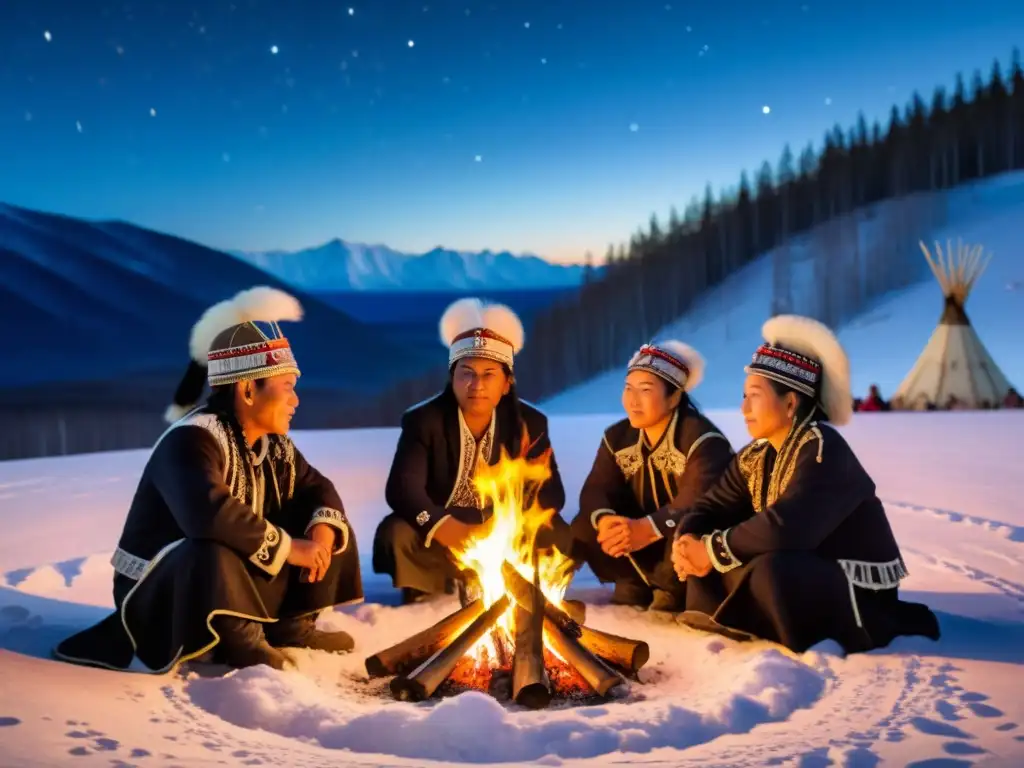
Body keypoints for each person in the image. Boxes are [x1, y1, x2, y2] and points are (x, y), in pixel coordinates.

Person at [53, 287, 363, 673]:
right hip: (162, 589)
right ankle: (239, 639)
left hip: (222, 575)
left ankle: (291, 625)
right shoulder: (192, 439)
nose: (295, 400)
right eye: (287, 388)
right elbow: (209, 514)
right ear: (248, 389)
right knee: (213, 546)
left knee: (326, 519)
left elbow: (318, 487)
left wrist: (319, 534)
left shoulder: (274, 445)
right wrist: (290, 549)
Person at [671, 315, 941, 653]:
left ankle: (766, 623)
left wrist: (711, 551)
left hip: (853, 591)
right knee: (721, 550)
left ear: (790, 402)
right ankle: (730, 616)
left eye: (754, 396)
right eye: (743, 396)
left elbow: (787, 526)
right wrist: (689, 540)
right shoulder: (755, 455)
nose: (744, 408)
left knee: (771, 568)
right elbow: (710, 506)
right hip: (798, 566)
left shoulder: (823, 448)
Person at [372, 297, 569, 604]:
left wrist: (509, 523)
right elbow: (402, 489)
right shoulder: (424, 421)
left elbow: (552, 494)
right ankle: (426, 590)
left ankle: (525, 586)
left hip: (504, 530)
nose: (476, 384)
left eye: (489, 374)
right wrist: (445, 527)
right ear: (452, 379)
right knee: (397, 532)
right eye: (467, 373)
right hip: (443, 530)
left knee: (560, 533)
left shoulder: (530, 423)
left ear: (506, 383)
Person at [573, 340, 734, 611]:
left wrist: (645, 529)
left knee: (688, 526)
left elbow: (695, 501)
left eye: (645, 390)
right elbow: (596, 489)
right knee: (583, 524)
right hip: (636, 545)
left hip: (681, 553)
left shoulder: (702, 439)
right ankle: (632, 581)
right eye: (628, 389)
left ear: (673, 398)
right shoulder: (617, 437)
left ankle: (673, 590)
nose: (633, 400)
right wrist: (606, 522)